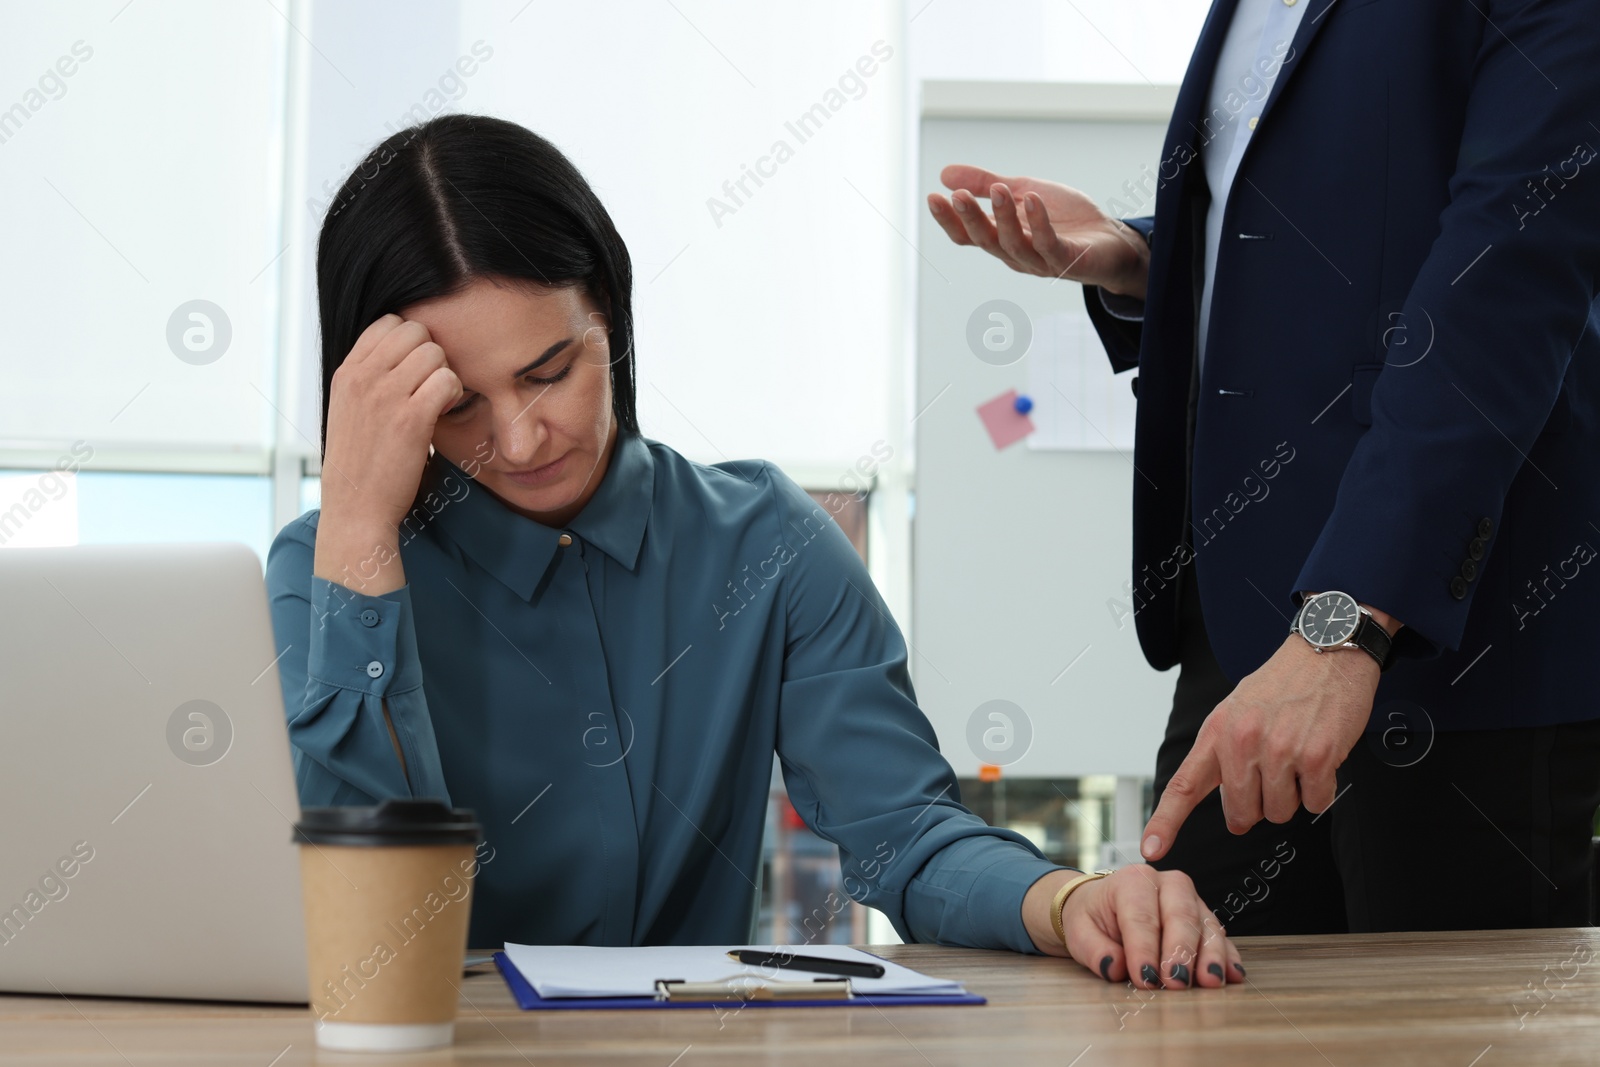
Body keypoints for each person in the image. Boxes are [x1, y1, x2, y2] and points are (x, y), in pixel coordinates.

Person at [266, 113, 1242, 989]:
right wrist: (355, 529)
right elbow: (365, 935)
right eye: (460, 404)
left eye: (548, 371)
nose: (521, 439)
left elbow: (903, 832)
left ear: (606, 308)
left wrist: (1068, 901)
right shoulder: (333, 572)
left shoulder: (766, 540)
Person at [930, 0, 1600, 934]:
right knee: (1195, 1008)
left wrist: (1345, 628)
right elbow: (1334, 242)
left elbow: (1505, 294)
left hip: (1445, 647)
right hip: (1242, 639)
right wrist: (1145, 260)